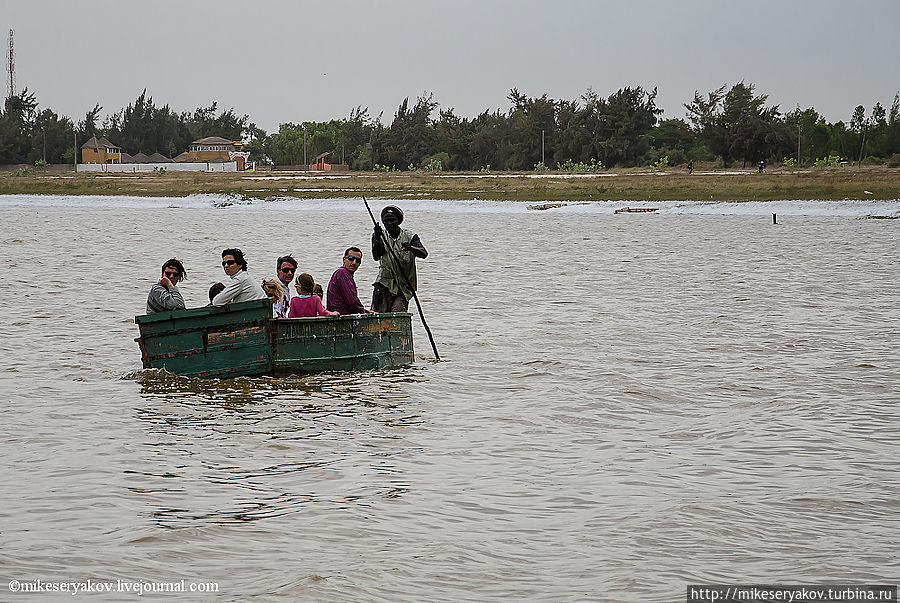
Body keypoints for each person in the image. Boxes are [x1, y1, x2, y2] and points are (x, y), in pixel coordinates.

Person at [371, 205, 428, 313]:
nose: (389, 223)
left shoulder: (410, 236)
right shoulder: (379, 235)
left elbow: (424, 253)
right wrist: (377, 238)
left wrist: (411, 248)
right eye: (386, 221)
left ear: (398, 221)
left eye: (392, 220)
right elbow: (376, 256)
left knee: (397, 316)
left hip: (404, 286)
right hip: (384, 283)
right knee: (377, 316)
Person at [326, 247, 369, 315]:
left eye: (357, 260)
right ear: (344, 259)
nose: (354, 263)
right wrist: (365, 312)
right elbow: (352, 301)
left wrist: (365, 311)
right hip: (341, 316)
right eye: (351, 259)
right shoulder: (343, 273)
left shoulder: (343, 274)